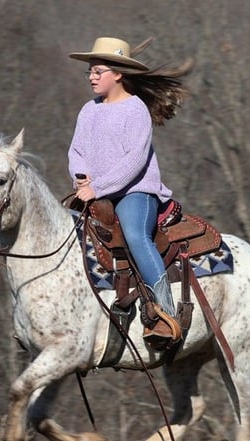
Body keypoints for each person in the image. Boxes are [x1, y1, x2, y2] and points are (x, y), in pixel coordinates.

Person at [67, 36, 193, 350]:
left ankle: (163, 309)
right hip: (95, 192)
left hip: (135, 191)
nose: (92, 76)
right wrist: (81, 178)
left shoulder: (135, 110)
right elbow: (77, 150)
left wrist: (98, 187)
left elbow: (134, 161)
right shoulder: (88, 110)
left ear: (118, 74)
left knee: (136, 235)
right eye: (90, 72)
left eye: (98, 71)